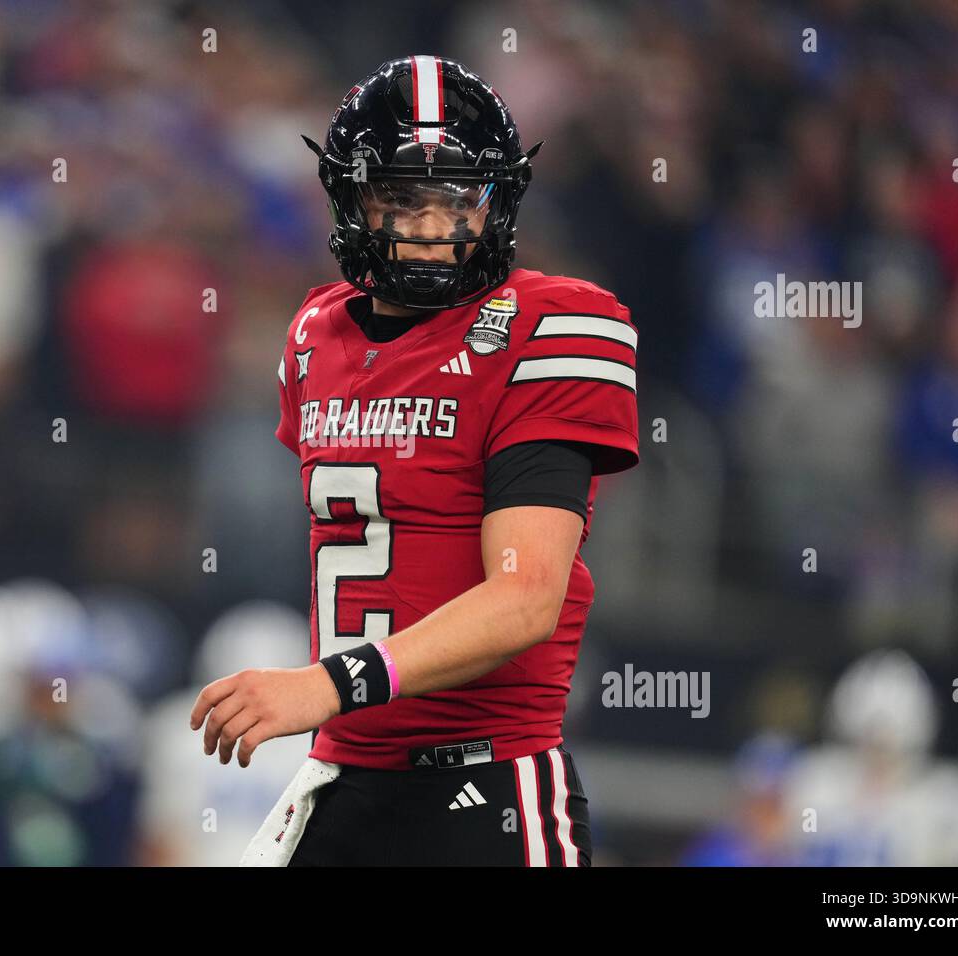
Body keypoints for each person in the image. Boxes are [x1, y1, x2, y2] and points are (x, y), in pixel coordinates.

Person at [191, 55, 640, 866]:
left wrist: (324, 685)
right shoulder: (315, 335)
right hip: (344, 780)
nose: (432, 227)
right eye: (402, 197)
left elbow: (525, 597)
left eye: (457, 198)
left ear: (496, 201)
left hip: (487, 790)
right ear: (351, 197)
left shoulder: (554, 327)